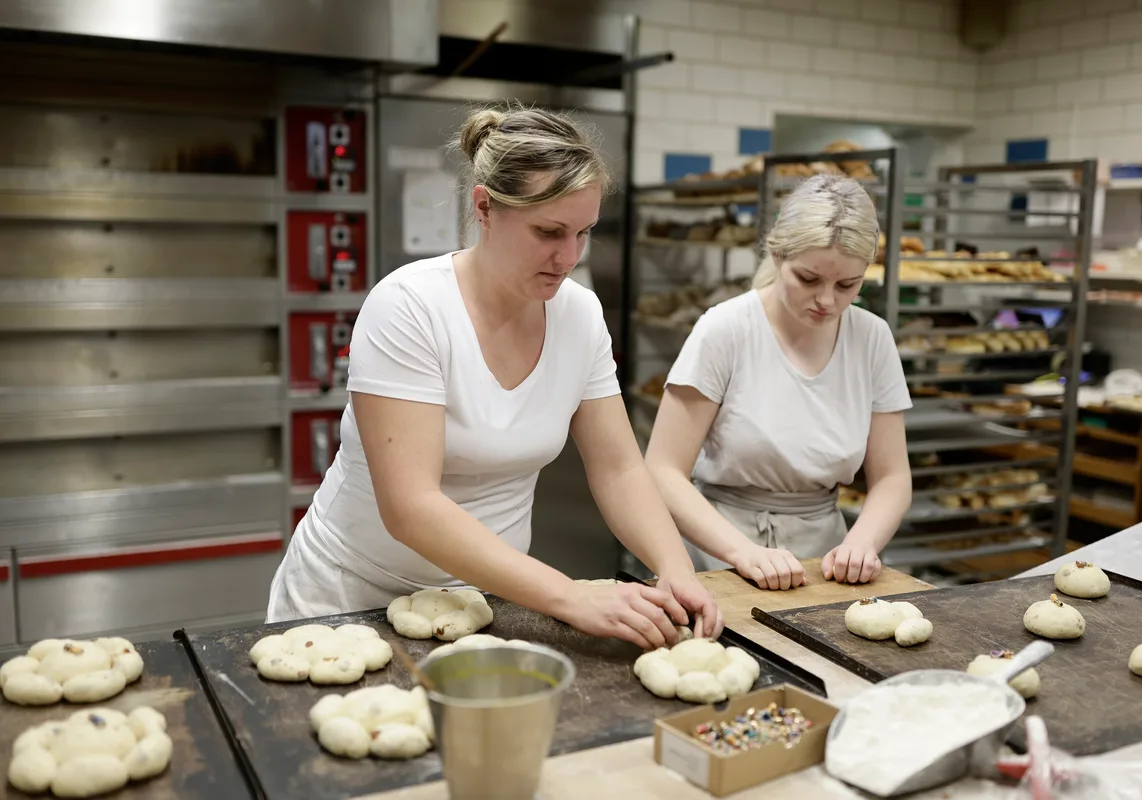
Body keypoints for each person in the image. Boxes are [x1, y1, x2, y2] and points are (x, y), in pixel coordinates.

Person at [266, 104, 722, 650]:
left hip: (488, 598)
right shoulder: (410, 307)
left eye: (583, 233)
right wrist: (571, 596)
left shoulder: (579, 315)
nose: (569, 256)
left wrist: (675, 568)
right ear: (484, 207)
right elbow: (410, 507)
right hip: (349, 600)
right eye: (549, 231)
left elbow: (620, 468)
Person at [644, 174, 912, 591]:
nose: (828, 301)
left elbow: (893, 477)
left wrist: (861, 543)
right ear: (776, 255)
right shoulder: (726, 329)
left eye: (848, 285)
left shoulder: (872, 338)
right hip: (718, 554)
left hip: (824, 561)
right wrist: (742, 553)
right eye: (808, 279)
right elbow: (662, 470)